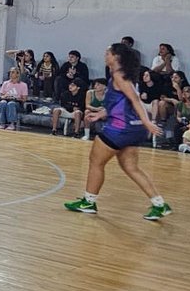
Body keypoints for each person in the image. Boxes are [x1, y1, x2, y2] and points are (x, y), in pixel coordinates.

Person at [65, 42, 168, 220]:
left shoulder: (119, 76)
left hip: (120, 129)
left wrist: (149, 122)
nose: (105, 55)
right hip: (133, 128)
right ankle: (159, 204)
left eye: (108, 53)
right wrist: (101, 115)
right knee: (131, 167)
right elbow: (121, 103)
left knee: (96, 161)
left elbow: (136, 100)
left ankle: (88, 201)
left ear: (116, 57)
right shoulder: (122, 76)